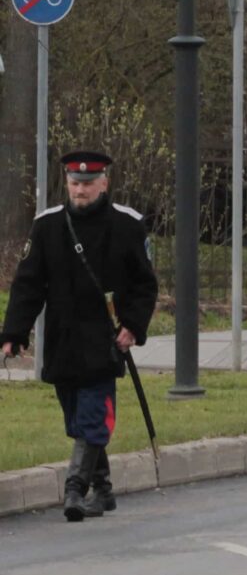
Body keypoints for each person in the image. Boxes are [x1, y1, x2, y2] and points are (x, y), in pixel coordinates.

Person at [0, 150, 157, 521]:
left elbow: (144, 285)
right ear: (67, 183)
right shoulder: (47, 226)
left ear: (104, 183)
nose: (80, 190)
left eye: (88, 184)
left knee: (92, 415)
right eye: (75, 183)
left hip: (105, 339)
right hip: (62, 337)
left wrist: (132, 326)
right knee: (76, 417)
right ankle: (103, 490)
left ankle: (74, 490)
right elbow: (28, 284)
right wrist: (14, 333)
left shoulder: (127, 225)